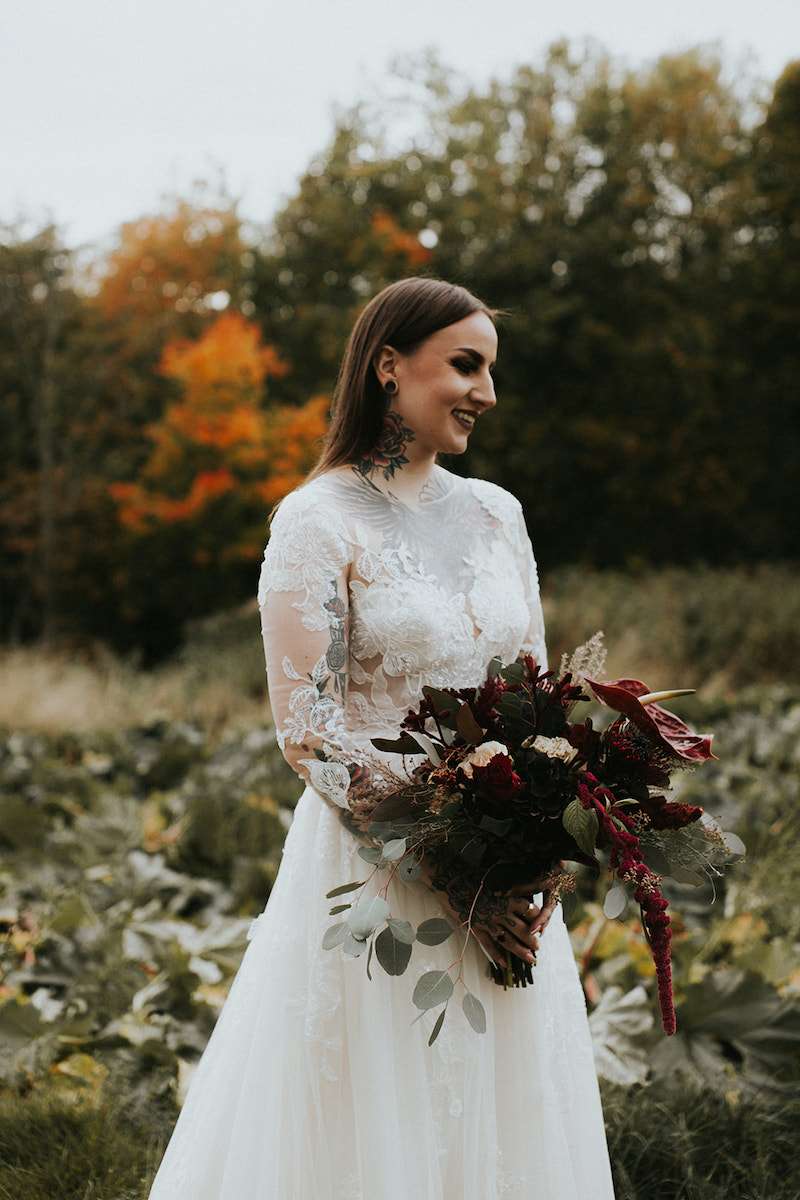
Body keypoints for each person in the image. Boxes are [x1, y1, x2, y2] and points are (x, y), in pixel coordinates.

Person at [147, 276, 616, 1199]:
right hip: (378, 869)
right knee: (371, 1120)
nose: (486, 392)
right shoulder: (315, 522)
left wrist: (538, 854)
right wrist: (448, 859)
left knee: (499, 1111)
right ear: (389, 368)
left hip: (505, 873)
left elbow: (533, 697)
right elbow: (309, 733)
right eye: (466, 366)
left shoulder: (499, 513)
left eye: (491, 370)